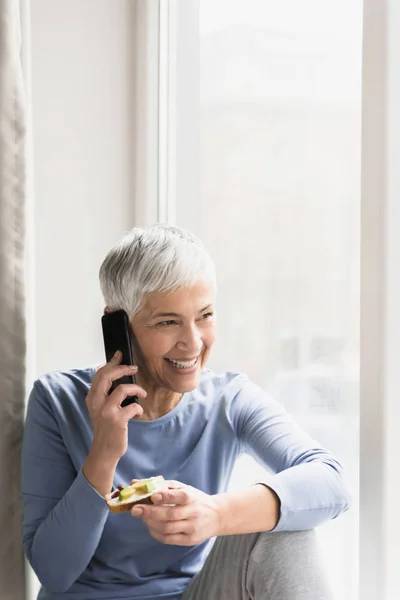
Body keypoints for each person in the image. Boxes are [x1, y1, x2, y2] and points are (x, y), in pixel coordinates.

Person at [21, 224, 351, 600]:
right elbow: (53, 571)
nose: (193, 342)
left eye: (205, 316)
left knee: (286, 526)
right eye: (168, 321)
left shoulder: (229, 399)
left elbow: (331, 482)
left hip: (196, 593)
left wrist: (216, 514)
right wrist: (105, 454)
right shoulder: (57, 399)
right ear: (119, 326)